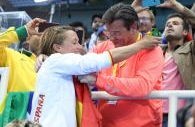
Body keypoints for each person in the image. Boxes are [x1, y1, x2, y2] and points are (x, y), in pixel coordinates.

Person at [29, 25, 161, 127]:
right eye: (74, 42)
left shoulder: (57, 65)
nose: (80, 47)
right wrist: (140, 45)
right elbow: (102, 59)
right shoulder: (56, 60)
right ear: (57, 48)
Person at [88, 3, 164, 127]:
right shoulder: (103, 47)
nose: (112, 38)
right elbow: (84, 68)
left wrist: (98, 80)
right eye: (109, 32)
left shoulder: (152, 49)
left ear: (134, 26)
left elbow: (141, 86)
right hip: (105, 122)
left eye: (117, 33)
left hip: (143, 124)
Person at [156, 0, 195, 127]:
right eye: (167, 24)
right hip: (154, 113)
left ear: (185, 31)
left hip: (181, 114)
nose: (170, 25)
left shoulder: (191, 49)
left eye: (175, 23)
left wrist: (177, 6)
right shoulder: (155, 52)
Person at [0, 18, 45, 126]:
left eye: (47, 35)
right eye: (39, 32)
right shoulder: (11, 56)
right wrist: (23, 30)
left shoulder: (58, 66)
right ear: (28, 38)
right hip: (15, 121)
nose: (43, 36)